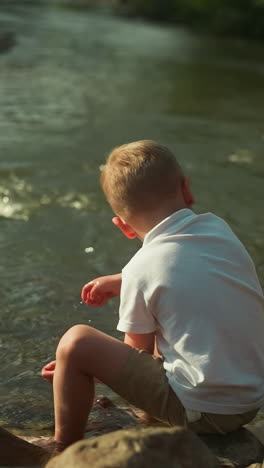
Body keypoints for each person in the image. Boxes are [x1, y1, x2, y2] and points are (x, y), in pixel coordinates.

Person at [42, 140, 264, 451]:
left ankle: (63, 448)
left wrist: (85, 369)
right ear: (187, 190)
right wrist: (123, 281)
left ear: (124, 227)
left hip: (205, 412)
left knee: (76, 342)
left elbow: (138, 355)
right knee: (173, 316)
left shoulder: (141, 270)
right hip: (250, 399)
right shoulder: (220, 230)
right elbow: (185, 270)